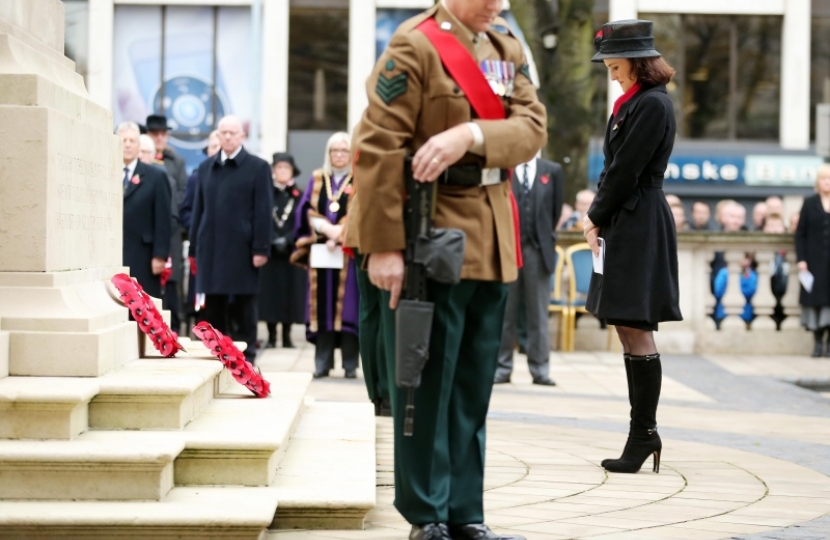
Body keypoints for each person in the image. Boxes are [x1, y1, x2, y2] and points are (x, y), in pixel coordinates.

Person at [348, 0, 546, 537]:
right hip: (428, 236)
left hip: (492, 237)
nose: (499, 5)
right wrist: (384, 248)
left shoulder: (505, 44)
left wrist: (472, 136)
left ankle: (466, 512)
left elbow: (532, 128)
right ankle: (428, 513)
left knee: (472, 386)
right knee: (425, 384)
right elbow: (379, 147)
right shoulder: (414, 45)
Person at [584, 20, 682, 475]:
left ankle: (643, 435)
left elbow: (625, 170)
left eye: (615, 65)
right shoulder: (635, 103)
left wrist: (594, 215)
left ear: (637, 62)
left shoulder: (652, 105)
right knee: (626, 325)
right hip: (628, 218)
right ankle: (641, 434)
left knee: (636, 326)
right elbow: (615, 169)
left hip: (639, 220)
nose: (611, 73)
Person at [189, 115, 273, 364]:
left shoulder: (257, 167)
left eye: (232, 133)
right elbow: (198, 210)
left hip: (243, 250)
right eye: (223, 133)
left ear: (242, 137)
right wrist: (194, 247)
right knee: (213, 306)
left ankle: (247, 356)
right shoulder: (206, 168)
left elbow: (263, 211)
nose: (227, 137)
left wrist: (261, 247)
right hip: (211, 250)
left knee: (243, 305)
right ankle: (217, 352)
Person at [291, 132, 360, 379]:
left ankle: (350, 364)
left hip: (347, 253)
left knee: (348, 308)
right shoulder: (318, 178)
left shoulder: (358, 177)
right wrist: (325, 229)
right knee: (323, 309)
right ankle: (323, 362)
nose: (339, 155)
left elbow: (360, 209)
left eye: (344, 150)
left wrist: (341, 232)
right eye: (335, 150)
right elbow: (305, 210)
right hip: (321, 252)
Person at [495, 157, 563, 385]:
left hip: (537, 251)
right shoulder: (505, 168)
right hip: (509, 250)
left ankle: (540, 369)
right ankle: (502, 367)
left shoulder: (552, 170)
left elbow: (555, 212)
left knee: (538, 315)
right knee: (505, 312)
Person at [118, 121, 171, 299]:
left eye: (132, 140)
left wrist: (160, 255)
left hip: (144, 256)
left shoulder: (156, 176)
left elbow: (163, 219)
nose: (127, 144)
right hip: (115, 254)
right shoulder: (105, 173)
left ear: (139, 145)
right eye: (123, 140)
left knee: (143, 309)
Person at [258, 153, 306, 349]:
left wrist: (287, 239)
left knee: (290, 294)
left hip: (290, 253)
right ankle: (271, 336)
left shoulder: (299, 195)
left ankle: (287, 336)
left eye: (286, 168)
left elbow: (302, 221)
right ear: (273, 171)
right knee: (270, 295)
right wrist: (270, 239)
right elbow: (260, 217)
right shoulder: (264, 193)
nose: (283, 171)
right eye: (279, 168)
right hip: (270, 253)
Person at [146, 114, 188, 335]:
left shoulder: (176, 161)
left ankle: (176, 325)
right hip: (147, 226)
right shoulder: (143, 159)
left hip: (171, 226)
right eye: (155, 134)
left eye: (163, 134)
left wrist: (169, 210)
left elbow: (182, 192)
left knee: (172, 276)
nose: (160, 138)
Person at [180, 130, 220, 325]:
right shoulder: (196, 178)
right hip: (204, 246)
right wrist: (200, 227)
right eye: (213, 146)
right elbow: (186, 211)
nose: (217, 150)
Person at [796, 164, 830, 357]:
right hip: (814, 261)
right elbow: (800, 234)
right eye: (824, 178)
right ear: (818, 181)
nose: (827, 182)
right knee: (816, 301)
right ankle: (817, 343)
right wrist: (802, 259)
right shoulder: (809, 203)